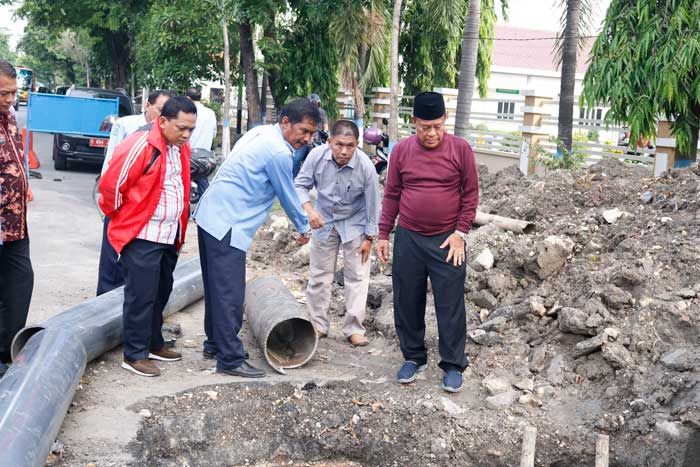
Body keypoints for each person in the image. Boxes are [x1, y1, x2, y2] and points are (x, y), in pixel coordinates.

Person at [193, 98, 320, 378]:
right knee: (230, 294)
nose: (308, 139)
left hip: (210, 216)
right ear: (286, 123)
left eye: (312, 134)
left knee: (216, 288)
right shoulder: (278, 153)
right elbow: (287, 193)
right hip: (228, 224)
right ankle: (230, 358)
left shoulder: (260, 132)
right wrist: (303, 227)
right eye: (304, 131)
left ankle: (214, 344)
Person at [375, 91, 479, 393]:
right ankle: (413, 357)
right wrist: (384, 234)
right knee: (407, 300)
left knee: (450, 304)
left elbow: (470, 194)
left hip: (448, 240)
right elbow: (392, 193)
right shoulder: (402, 151)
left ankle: (452, 363)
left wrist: (461, 233)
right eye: (424, 127)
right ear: (414, 123)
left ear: (445, 121)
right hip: (409, 236)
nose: (431, 133)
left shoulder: (460, 150)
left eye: (437, 126)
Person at [98, 96, 196, 377]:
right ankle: (135, 354)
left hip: (169, 234)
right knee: (140, 295)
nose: (186, 134)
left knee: (161, 290)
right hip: (142, 234)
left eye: (191, 129)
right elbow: (111, 187)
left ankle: (154, 342)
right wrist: (124, 220)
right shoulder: (141, 144)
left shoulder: (180, 148)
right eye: (181, 128)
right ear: (162, 121)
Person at [295, 120, 380, 347]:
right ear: (329, 141)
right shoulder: (315, 157)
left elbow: (374, 204)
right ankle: (318, 325)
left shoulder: (366, 167)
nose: (344, 151)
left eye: (350, 146)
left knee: (357, 277)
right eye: (339, 144)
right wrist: (309, 210)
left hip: (355, 224)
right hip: (323, 221)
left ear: (357, 145)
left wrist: (370, 238)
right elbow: (300, 185)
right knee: (320, 275)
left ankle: (354, 328)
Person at [96, 90, 171, 296]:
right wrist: (110, 205)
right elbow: (111, 162)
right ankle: (103, 305)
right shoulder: (127, 125)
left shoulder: (168, 134)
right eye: (160, 110)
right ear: (147, 105)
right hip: (121, 203)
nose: (163, 116)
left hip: (143, 208)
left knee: (133, 261)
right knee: (112, 259)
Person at [0, 60, 33, 379]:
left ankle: (7, 349)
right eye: (4, 93)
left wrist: (23, 184)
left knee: (20, 283)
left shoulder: (8, 119)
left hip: (15, 222)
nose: (10, 99)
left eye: (13, 93)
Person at [185, 86, 217, 197]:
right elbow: (214, 133)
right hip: (205, 156)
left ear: (188, 98)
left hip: (189, 155)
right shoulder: (210, 113)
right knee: (203, 182)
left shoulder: (187, 112)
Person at [291, 93, 329, 178]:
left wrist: (325, 132)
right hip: (303, 142)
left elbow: (325, 125)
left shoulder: (321, 112)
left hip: (316, 142)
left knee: (321, 161)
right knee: (296, 160)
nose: (315, 106)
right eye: (313, 104)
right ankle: (293, 181)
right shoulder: (302, 114)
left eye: (317, 104)